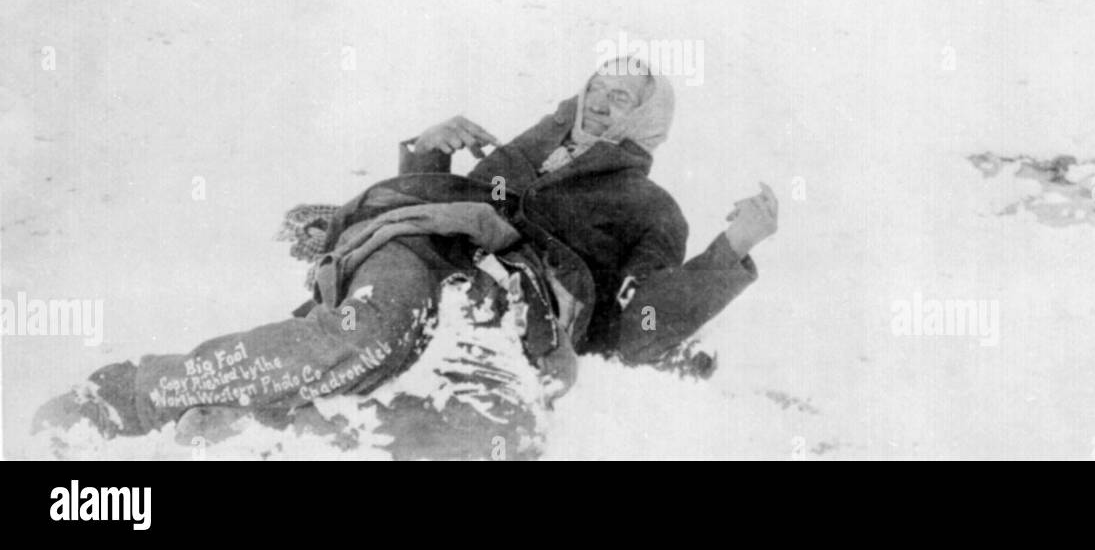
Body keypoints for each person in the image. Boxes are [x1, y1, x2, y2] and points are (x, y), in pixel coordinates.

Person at [32, 58, 778, 447]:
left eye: (622, 98)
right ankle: (130, 394)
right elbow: (433, 209)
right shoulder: (519, 150)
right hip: (428, 256)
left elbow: (634, 325)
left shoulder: (651, 209)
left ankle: (260, 431)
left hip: (515, 309)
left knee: (491, 434)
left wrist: (730, 253)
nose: (600, 101)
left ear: (647, 122)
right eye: (597, 87)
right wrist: (426, 152)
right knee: (374, 332)